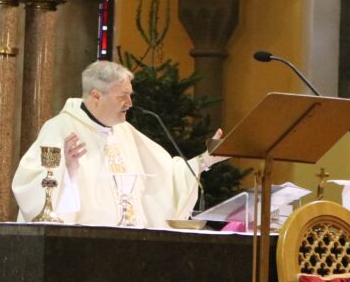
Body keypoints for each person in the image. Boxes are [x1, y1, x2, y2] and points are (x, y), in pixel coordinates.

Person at [12, 60, 225, 227]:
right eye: (122, 96)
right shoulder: (60, 129)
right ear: (96, 95)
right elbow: (31, 189)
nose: (130, 104)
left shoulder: (125, 131)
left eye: (130, 96)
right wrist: (66, 169)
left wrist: (207, 158)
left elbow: (168, 174)